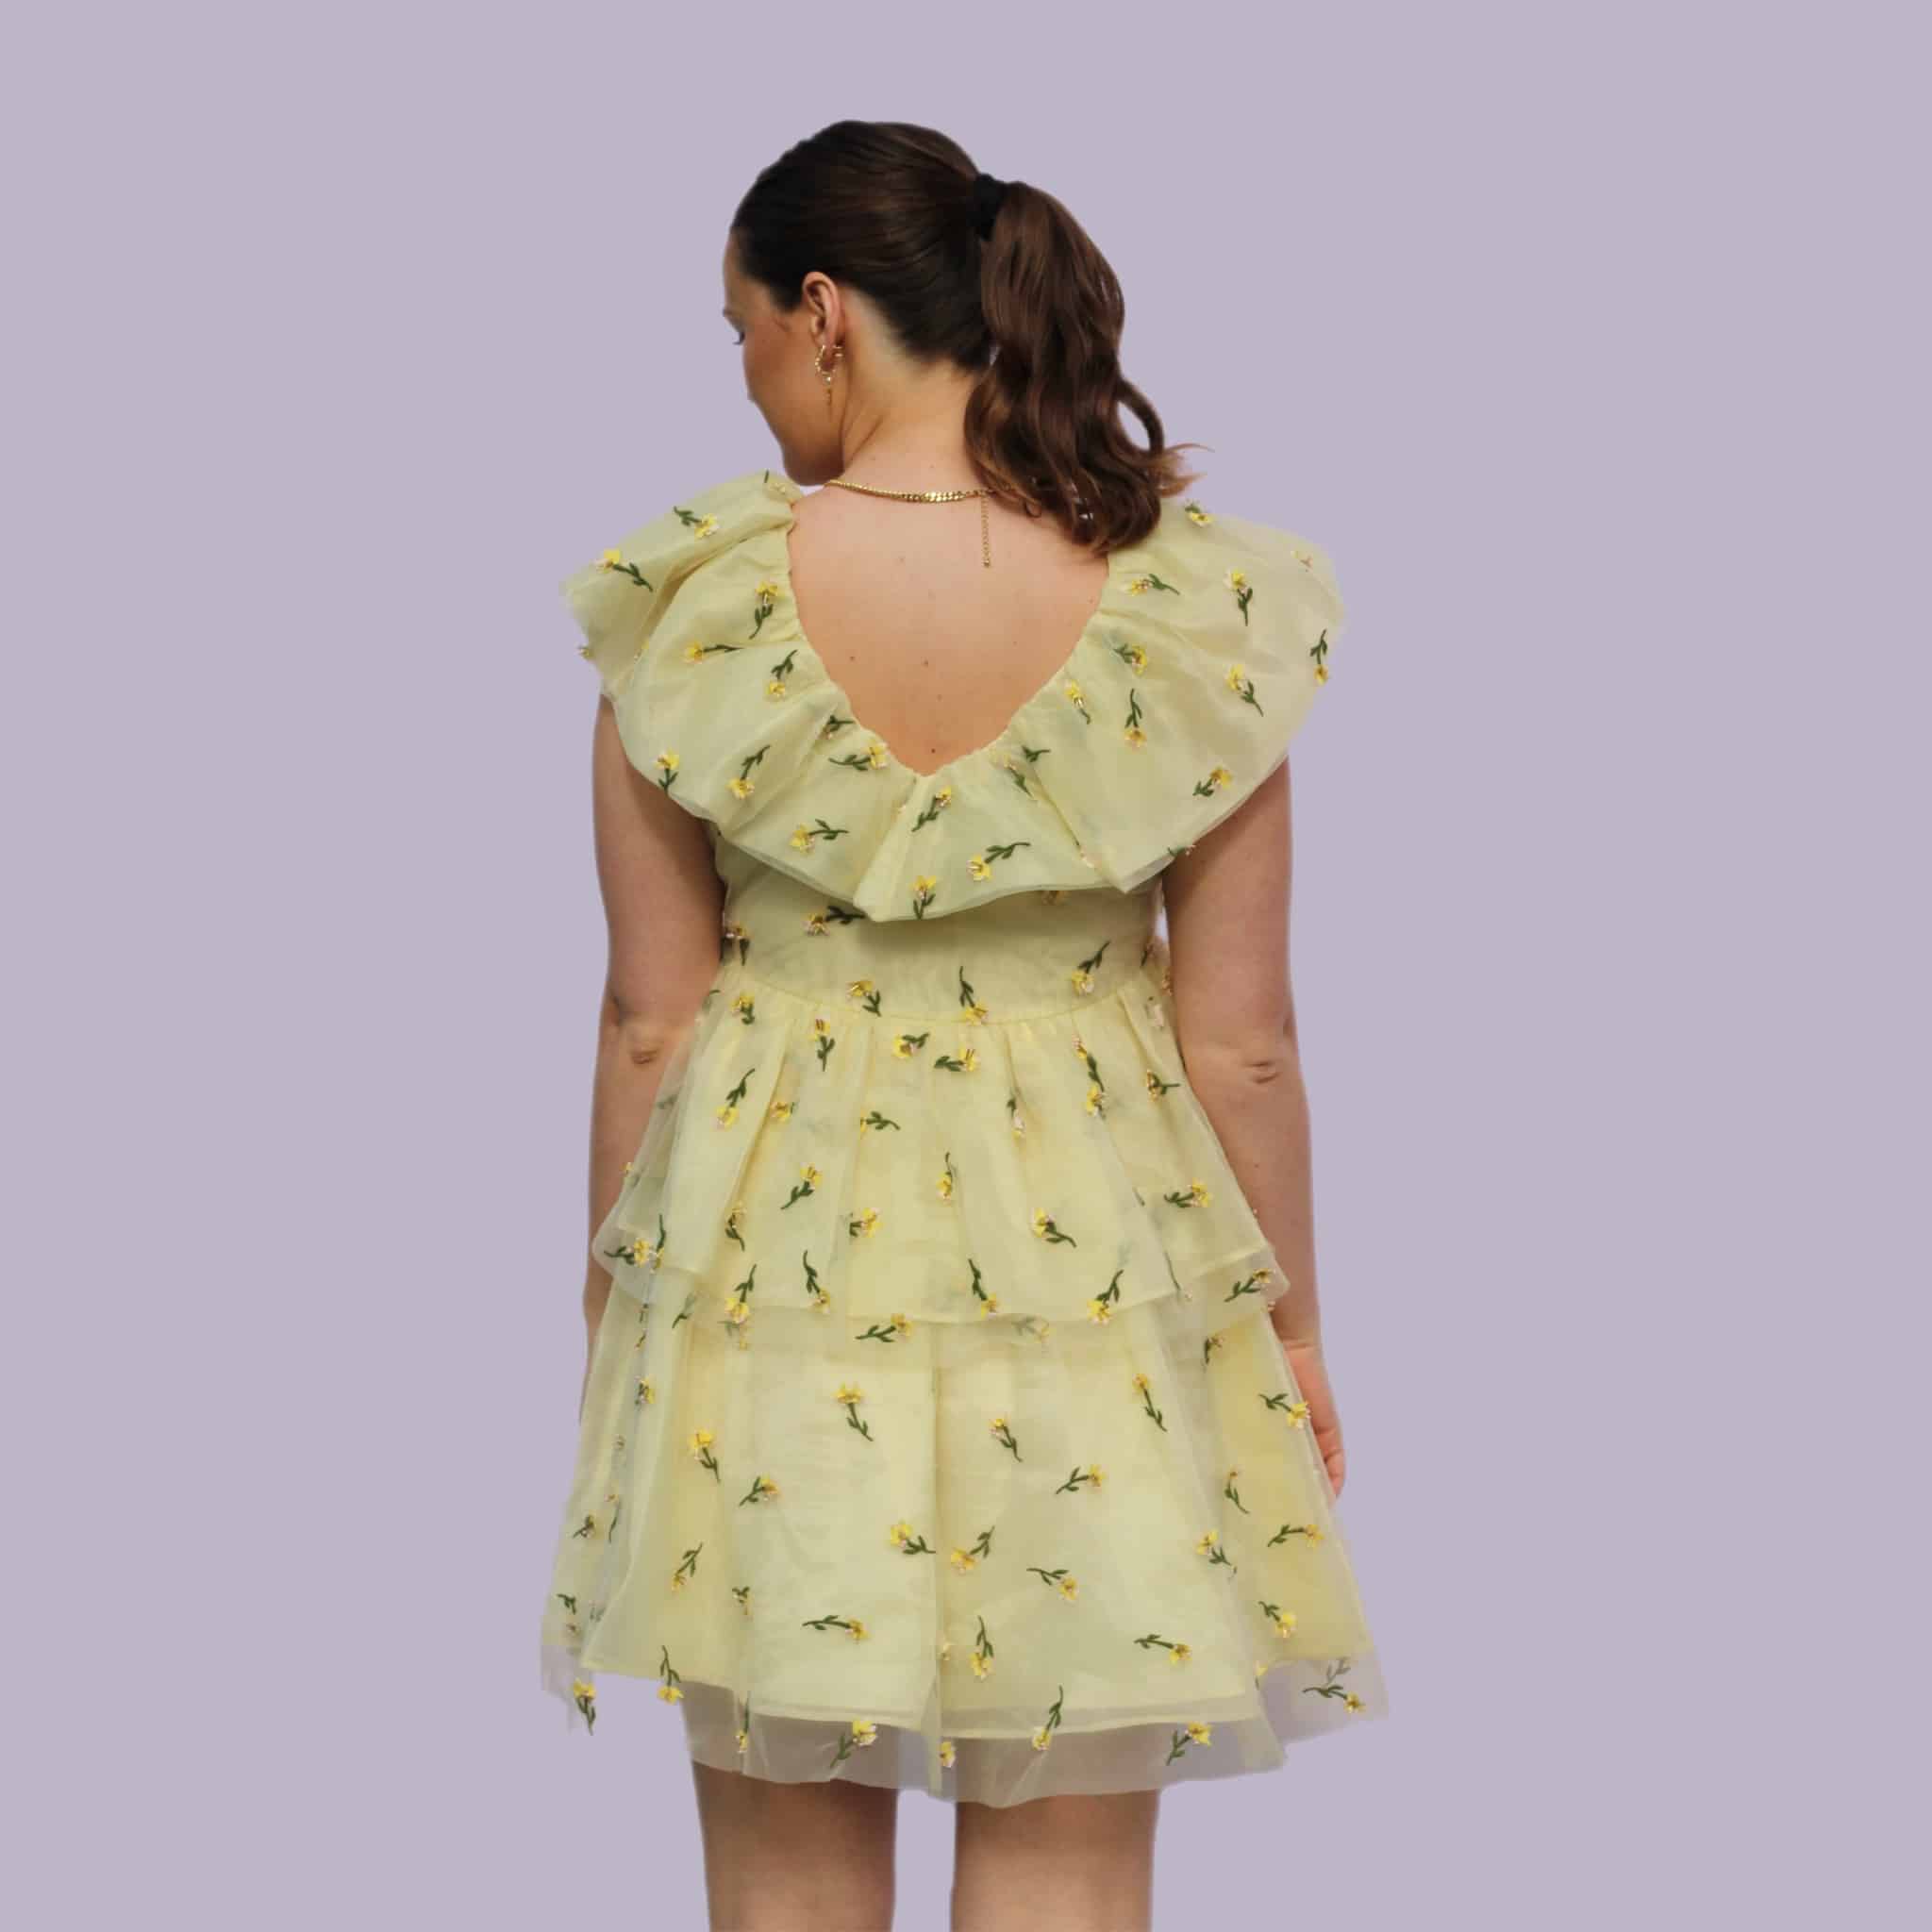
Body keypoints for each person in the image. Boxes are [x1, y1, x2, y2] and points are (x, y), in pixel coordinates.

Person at [538, 120, 1389, 1932]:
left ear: (822, 312)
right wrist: (1296, 1333)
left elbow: (648, 1021)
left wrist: (616, 1309)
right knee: (1069, 1864)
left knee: (784, 1875)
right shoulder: (1185, 611)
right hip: (1094, 1279)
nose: (747, 372)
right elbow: (1244, 1043)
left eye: (741, 329)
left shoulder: (703, 607)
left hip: (771, 1274)